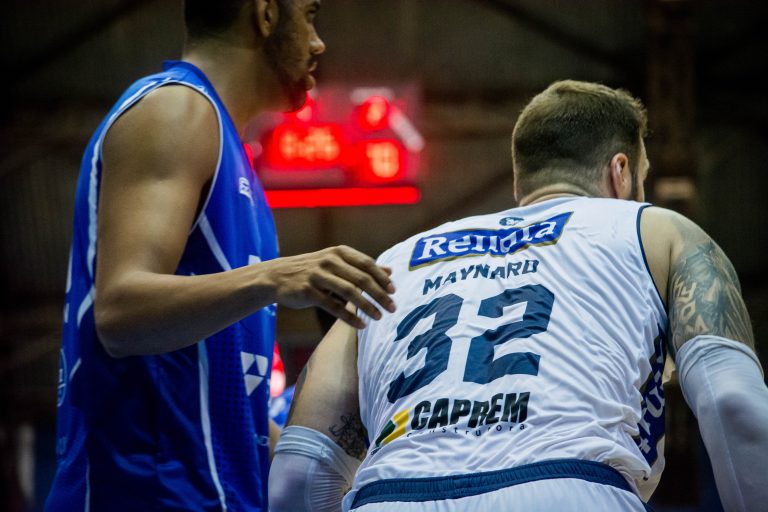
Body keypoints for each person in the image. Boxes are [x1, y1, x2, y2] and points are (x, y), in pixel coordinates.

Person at [268, 80, 768, 511]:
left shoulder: (391, 264)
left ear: (518, 183)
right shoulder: (659, 230)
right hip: (568, 487)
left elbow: (299, 473)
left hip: (391, 493)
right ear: (621, 171)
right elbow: (732, 403)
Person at [45, 1, 397, 511]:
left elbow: (225, 401)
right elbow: (120, 315)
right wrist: (275, 276)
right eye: (310, 15)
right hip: (144, 497)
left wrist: (343, 475)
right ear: (266, 14)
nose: (319, 43)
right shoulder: (176, 108)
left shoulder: (230, 151)